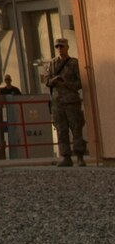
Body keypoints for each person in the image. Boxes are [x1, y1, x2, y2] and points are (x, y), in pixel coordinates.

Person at [48, 38, 87, 166]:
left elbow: (80, 83)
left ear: (67, 47)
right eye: (57, 46)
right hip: (57, 103)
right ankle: (66, 156)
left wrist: (67, 84)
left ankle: (80, 156)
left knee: (76, 128)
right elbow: (47, 81)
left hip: (71, 101)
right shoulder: (52, 63)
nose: (59, 49)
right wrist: (53, 80)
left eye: (62, 46)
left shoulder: (74, 63)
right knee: (61, 130)